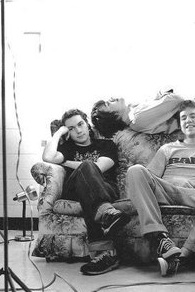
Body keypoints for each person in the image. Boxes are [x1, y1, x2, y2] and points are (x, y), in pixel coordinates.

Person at [126, 100, 195, 275]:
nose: (188, 120)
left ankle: (183, 255)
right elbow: (149, 179)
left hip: (193, 194)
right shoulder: (167, 149)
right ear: (180, 126)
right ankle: (159, 238)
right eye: (183, 118)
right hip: (167, 191)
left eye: (193, 116)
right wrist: (177, 181)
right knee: (135, 171)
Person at [42, 108, 130, 276]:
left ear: (87, 125)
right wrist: (59, 132)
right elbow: (48, 157)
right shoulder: (67, 148)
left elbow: (99, 167)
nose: (78, 130)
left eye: (80, 124)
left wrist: (67, 163)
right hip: (75, 190)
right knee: (87, 181)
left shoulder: (106, 145)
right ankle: (106, 216)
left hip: (106, 188)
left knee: (89, 176)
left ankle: (105, 252)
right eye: (71, 128)